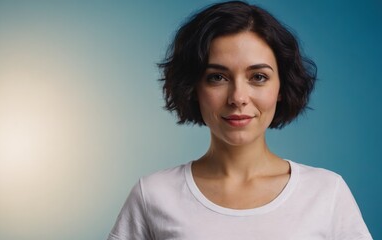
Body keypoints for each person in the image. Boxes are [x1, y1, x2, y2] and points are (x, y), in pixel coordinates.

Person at [107, 1, 372, 239]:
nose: (238, 97)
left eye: (258, 77)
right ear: (193, 88)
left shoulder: (327, 192)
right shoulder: (153, 194)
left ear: (281, 88)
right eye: (217, 77)